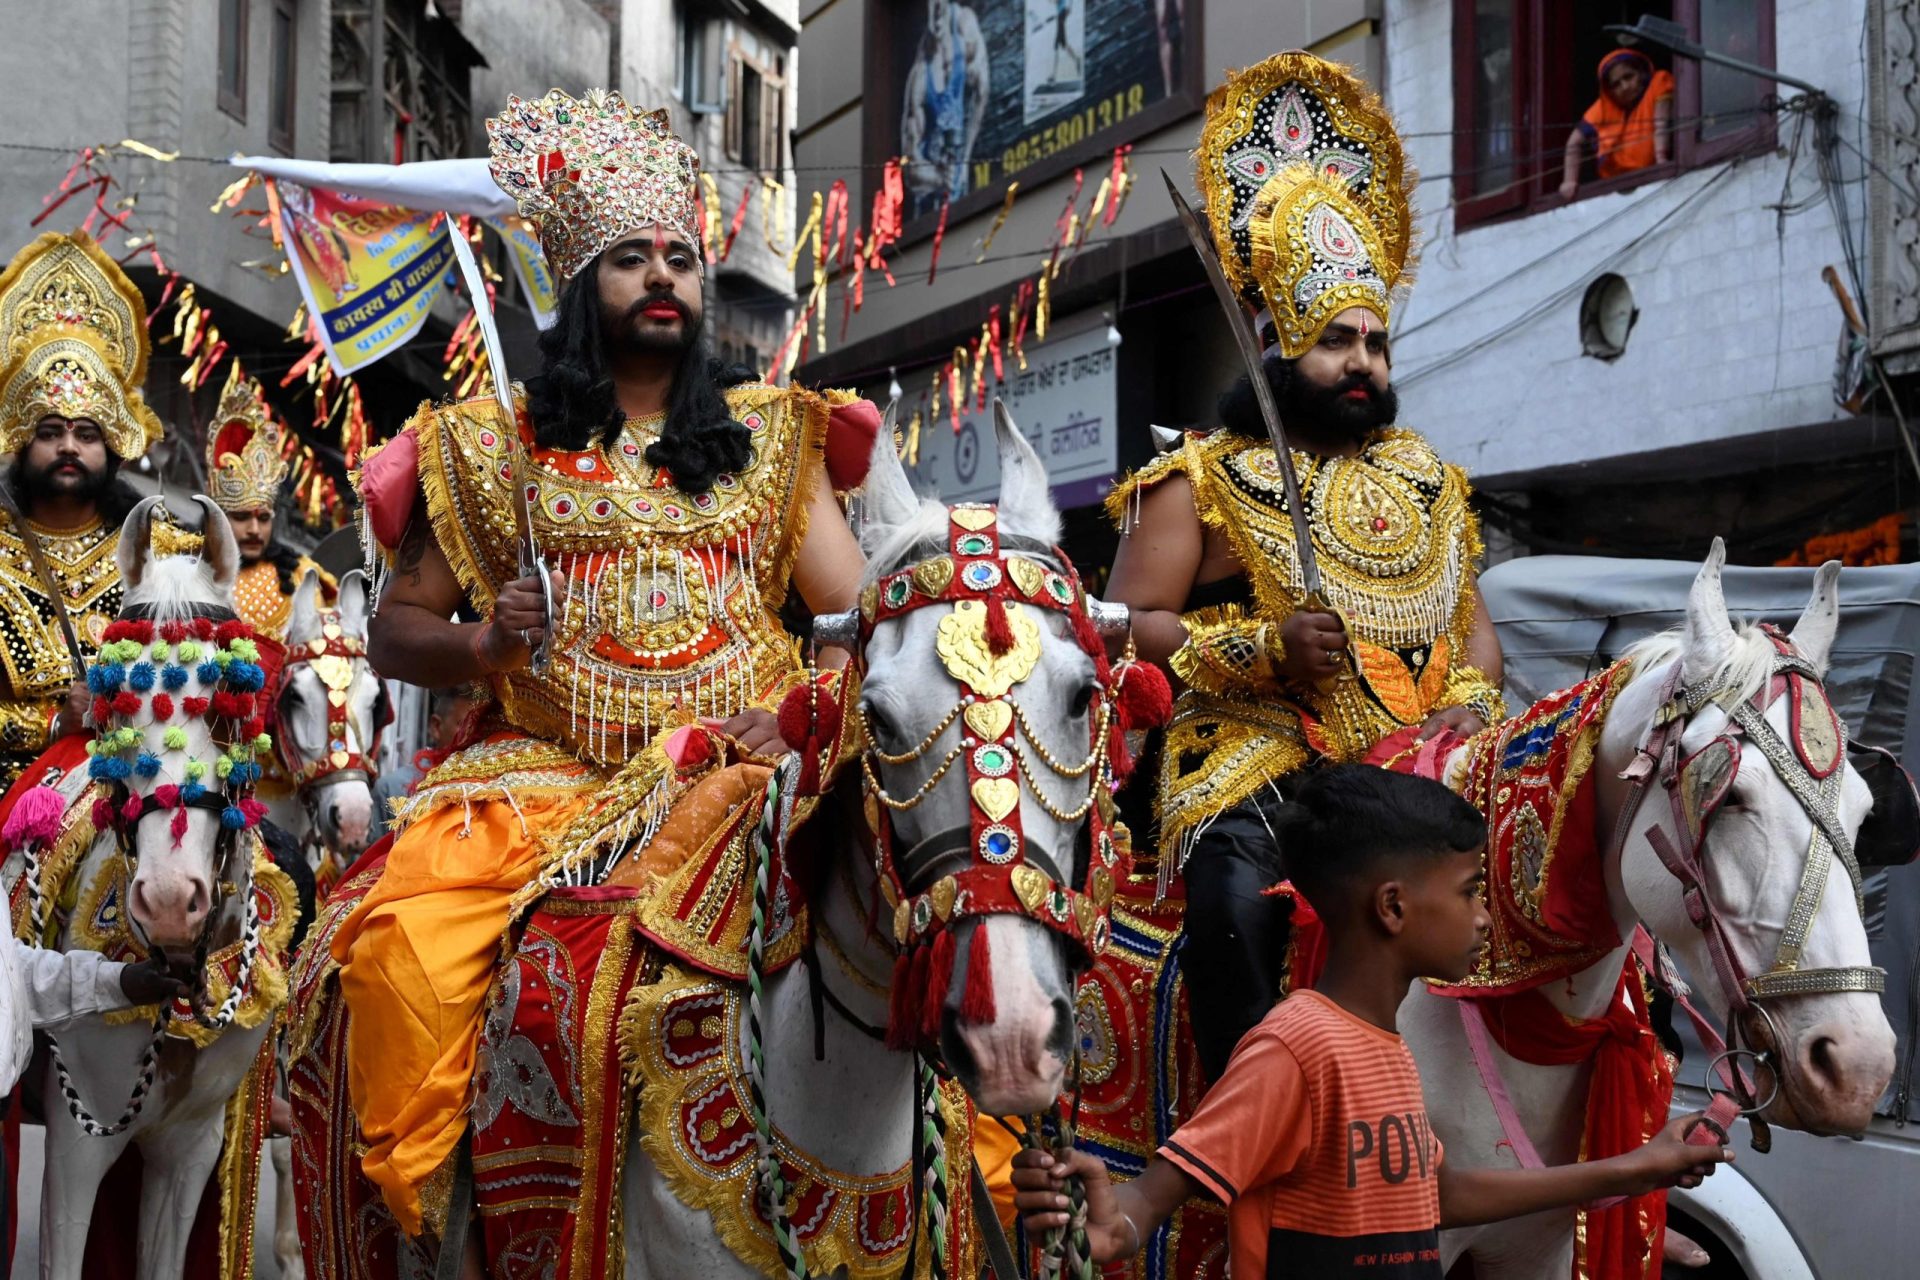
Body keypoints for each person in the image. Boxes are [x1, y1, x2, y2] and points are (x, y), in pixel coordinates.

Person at [334, 88, 876, 1240]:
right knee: (404, 959)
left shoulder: (775, 437)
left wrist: (808, 713)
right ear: (586, 285)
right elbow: (394, 629)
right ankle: (442, 1231)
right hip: (543, 778)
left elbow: (860, 616)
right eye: (631, 258)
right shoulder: (490, 444)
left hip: (741, 769)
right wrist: (486, 640)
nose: (664, 277)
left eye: (681, 254)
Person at [1104, 52, 1503, 1081]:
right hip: (1260, 753)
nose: (1363, 363)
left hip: (1416, 757)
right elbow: (1120, 624)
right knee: (1238, 892)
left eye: (1375, 341)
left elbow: (1476, 637)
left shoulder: (1431, 481)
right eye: (1336, 341)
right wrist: (1262, 648)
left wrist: (1463, 703)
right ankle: (1255, 1109)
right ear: (1283, 347)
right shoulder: (1201, 476)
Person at [1012, 765, 1731, 1278]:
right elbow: (1149, 1199)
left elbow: (1440, 1197)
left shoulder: (1385, 1049)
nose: (1486, 917)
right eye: (1470, 891)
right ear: (1392, 907)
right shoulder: (1294, 1048)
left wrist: (1639, 1168)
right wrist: (1110, 1226)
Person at [0, 231, 172, 796]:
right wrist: (56, 725)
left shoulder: (163, 552)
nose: (69, 447)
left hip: (146, 792)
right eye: (50, 432)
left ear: (114, 447)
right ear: (22, 441)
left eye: (87, 433)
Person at [901, 0, 990, 209]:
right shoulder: (920, 76)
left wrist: (965, 158)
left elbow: (982, 91)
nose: (937, 9)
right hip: (929, 198)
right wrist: (939, 178)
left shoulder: (965, 28)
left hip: (957, 183)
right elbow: (910, 165)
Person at [1559, 49, 1674, 200]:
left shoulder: (1659, 82)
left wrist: (1661, 162)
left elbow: (1661, 124)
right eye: (1616, 84)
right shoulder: (1602, 108)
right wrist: (1569, 181)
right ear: (1609, 91)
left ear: (1641, 72)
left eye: (1628, 77)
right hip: (1616, 185)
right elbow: (1574, 142)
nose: (1625, 87)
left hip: (1652, 173)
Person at [368, 684, 477, 841]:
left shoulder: (492, 788)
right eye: (465, 725)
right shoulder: (392, 789)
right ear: (436, 727)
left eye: (480, 727)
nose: (474, 735)